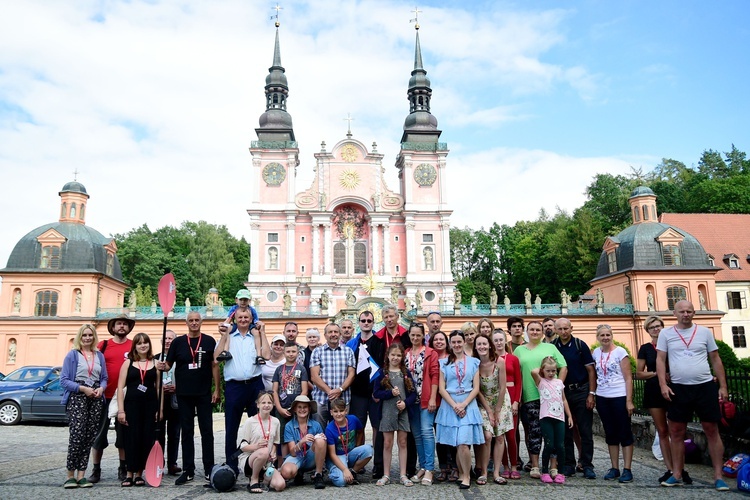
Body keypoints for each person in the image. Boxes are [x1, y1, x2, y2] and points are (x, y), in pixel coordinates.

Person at [657, 300, 730, 491]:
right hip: (679, 388)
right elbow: (660, 359)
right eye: (682, 311)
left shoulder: (705, 332)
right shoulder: (666, 334)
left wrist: (723, 386)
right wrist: (663, 384)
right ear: (674, 313)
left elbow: (715, 359)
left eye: (689, 311)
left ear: (694, 313)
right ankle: (677, 473)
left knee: (711, 430)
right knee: (676, 432)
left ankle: (718, 476)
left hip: (704, 386)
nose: (686, 314)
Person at [160, 311, 220, 485]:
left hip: (203, 393)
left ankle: (209, 468)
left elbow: (214, 366)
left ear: (201, 322)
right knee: (186, 432)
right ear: (186, 323)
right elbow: (168, 365)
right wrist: (161, 366)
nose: (194, 323)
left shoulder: (209, 341)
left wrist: (217, 389)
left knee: (207, 431)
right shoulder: (178, 342)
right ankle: (188, 470)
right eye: (191, 320)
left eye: (197, 320)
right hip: (183, 394)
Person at [215, 309, 271, 474]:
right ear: (235, 319)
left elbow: (266, 355)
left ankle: (257, 465)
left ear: (251, 318)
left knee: (260, 426)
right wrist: (224, 334)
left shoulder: (256, 335)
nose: (243, 320)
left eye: (246, 317)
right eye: (240, 317)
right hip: (234, 386)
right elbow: (216, 357)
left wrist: (264, 333)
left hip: (254, 385)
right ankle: (232, 466)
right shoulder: (229, 336)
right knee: (231, 427)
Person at [514, 320, 567, 478]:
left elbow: (563, 366)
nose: (535, 332)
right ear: (527, 332)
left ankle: (553, 466)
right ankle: (535, 465)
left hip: (550, 398)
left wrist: (559, 385)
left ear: (542, 332)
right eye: (532, 330)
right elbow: (517, 374)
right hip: (530, 396)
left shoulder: (550, 347)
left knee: (552, 434)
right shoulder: (519, 350)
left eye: (538, 329)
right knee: (534, 432)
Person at [637, 315, 685, 484]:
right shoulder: (645, 348)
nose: (656, 329)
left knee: (677, 431)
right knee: (662, 431)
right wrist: (656, 373)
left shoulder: (673, 345)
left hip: (674, 389)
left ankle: (680, 468)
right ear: (648, 331)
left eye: (658, 326)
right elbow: (639, 373)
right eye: (652, 327)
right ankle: (670, 468)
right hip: (654, 390)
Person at [60, 324, 108, 489]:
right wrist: (82, 389)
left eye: (90, 335)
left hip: (95, 397)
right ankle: (70, 475)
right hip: (78, 396)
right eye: (85, 335)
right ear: (80, 337)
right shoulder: (72, 355)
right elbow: (64, 380)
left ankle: (81, 475)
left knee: (89, 436)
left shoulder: (99, 356)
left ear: (94, 337)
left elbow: (104, 378)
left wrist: (101, 388)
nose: (87, 338)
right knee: (77, 435)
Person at [435, 330, 484, 490]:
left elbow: (476, 388)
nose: (456, 345)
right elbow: (442, 389)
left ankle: (467, 476)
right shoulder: (444, 363)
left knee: (464, 443)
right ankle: (462, 473)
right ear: (450, 344)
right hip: (450, 405)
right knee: (456, 443)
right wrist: (455, 405)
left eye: (459, 342)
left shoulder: (474, 362)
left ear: (464, 342)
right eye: (453, 342)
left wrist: (463, 405)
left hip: (468, 404)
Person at [88, 314, 134, 483]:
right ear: (113, 327)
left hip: (125, 397)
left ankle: (123, 468)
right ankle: (96, 469)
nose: (122, 326)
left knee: (123, 436)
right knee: (99, 435)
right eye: (118, 324)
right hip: (104, 397)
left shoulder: (133, 345)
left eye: (125, 324)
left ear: (129, 328)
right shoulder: (104, 345)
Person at [552, 318, 597, 479]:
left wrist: (592, 393)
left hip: (581, 390)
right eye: (560, 329)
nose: (563, 332)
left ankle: (587, 464)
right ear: (556, 330)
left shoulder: (580, 345)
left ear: (571, 328)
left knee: (585, 430)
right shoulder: (553, 346)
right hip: (561, 393)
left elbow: (591, 370)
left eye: (566, 328)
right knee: (565, 432)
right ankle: (568, 464)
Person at [592, 324, 635, 483]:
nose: (605, 338)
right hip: (603, 397)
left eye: (607, 335)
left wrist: (629, 400)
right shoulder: (596, 353)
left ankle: (627, 469)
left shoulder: (620, 352)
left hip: (619, 395)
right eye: (602, 335)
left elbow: (628, 377)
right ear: (598, 337)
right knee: (610, 433)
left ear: (612, 335)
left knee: (624, 432)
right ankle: (615, 467)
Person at [117, 333, 160, 487]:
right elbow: (120, 388)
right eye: (139, 343)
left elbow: (158, 388)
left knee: (145, 439)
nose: (143, 345)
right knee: (131, 439)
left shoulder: (155, 363)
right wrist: (121, 411)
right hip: (131, 406)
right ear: (134, 346)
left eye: (145, 342)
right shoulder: (128, 363)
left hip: (149, 406)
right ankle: (129, 473)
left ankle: (139, 473)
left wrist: (159, 409)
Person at [345, 310, 385, 472]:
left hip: (375, 394)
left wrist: (379, 390)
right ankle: (357, 462)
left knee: (377, 428)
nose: (366, 323)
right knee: (357, 428)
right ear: (359, 323)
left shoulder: (380, 342)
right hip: (357, 394)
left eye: (369, 320)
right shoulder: (351, 344)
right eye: (363, 320)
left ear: (373, 322)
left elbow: (383, 368)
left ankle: (378, 464)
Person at [373, 344, 418, 486]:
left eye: (398, 355)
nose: (395, 358)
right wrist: (389, 393)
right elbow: (376, 393)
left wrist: (405, 403)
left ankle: (403, 474)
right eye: (393, 355)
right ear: (388, 356)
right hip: (387, 411)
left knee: (403, 442)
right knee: (387, 443)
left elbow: (413, 394)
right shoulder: (382, 372)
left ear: (402, 357)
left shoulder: (405, 373)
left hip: (402, 412)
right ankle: (386, 474)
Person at [404, 322, 439, 485]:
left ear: (423, 335)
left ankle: (430, 469)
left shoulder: (430, 353)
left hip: (425, 399)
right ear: (409, 335)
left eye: (418, 335)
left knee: (426, 432)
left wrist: (433, 397)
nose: (415, 338)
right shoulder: (406, 353)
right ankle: (423, 467)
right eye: (413, 335)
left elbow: (434, 376)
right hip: (411, 401)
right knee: (417, 435)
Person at [474, 333, 511, 485]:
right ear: (476, 347)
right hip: (483, 402)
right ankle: (483, 471)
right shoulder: (475, 364)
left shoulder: (499, 361)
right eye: (479, 344)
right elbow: (478, 390)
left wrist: (496, 411)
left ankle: (496, 472)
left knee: (500, 436)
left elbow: (503, 387)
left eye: (484, 344)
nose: (482, 347)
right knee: (487, 435)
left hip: (500, 401)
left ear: (490, 345)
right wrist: (489, 411)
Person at [531, 357, 573, 484]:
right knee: (549, 445)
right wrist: (545, 363)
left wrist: (569, 415)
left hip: (559, 417)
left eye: (553, 371)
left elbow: (564, 399)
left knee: (560, 445)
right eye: (548, 371)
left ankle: (560, 472)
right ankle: (544, 471)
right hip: (546, 417)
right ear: (543, 370)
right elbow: (533, 372)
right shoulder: (541, 381)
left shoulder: (559, 383)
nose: (551, 373)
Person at [235, 391, 286, 493]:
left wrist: (273, 452)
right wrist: (256, 446)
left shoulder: (276, 421)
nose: (266, 405)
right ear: (258, 405)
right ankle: (253, 479)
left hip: (267, 461)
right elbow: (242, 447)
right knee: (263, 451)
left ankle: (264, 480)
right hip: (249, 459)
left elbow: (276, 442)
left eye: (269, 403)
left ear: (273, 404)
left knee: (280, 485)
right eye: (263, 403)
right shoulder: (250, 421)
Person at [310, 323, 355, 423]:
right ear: (325, 335)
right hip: (321, 399)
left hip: (343, 399)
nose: (333, 334)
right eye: (330, 332)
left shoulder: (348, 351)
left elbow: (351, 375)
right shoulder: (317, 351)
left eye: (336, 332)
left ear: (340, 334)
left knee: (341, 433)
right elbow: (314, 376)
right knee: (319, 433)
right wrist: (330, 392)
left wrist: (340, 389)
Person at [272, 341, 308, 465]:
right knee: (282, 438)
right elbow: (275, 391)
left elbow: (304, 390)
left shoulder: (301, 368)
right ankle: (282, 465)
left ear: (298, 353)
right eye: (288, 351)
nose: (291, 354)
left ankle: (297, 464)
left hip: (297, 410)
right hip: (281, 409)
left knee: (296, 435)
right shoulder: (278, 369)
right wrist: (279, 408)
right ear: (284, 352)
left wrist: (296, 408)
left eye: (293, 351)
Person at [325, 398, 374, 487]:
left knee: (369, 449)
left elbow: (360, 431)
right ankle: (336, 472)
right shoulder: (329, 429)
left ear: (346, 411)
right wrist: (344, 470)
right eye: (335, 411)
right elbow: (332, 454)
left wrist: (357, 446)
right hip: (337, 456)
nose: (339, 414)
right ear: (331, 412)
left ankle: (353, 472)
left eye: (341, 411)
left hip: (350, 453)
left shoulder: (353, 419)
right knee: (341, 482)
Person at [280, 395, 326, 489]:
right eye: (299, 407)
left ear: (309, 409)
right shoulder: (289, 426)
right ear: (294, 410)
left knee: (321, 440)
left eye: (305, 407)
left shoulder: (316, 425)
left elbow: (323, 446)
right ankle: (298, 472)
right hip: (296, 457)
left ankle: (318, 474)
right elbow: (293, 453)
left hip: (310, 457)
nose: (302, 410)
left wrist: (321, 438)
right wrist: (302, 441)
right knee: (286, 472)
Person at [492, 329, 521, 480]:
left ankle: (514, 465)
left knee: (511, 435)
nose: (498, 342)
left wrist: (516, 401)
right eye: (495, 340)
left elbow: (519, 380)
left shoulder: (513, 359)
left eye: (500, 339)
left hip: (511, 394)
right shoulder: (490, 359)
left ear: (505, 340)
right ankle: (504, 465)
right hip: (497, 397)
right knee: (500, 434)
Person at [429, 331, 457, 482]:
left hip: (451, 400)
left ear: (446, 342)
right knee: (439, 435)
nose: (439, 342)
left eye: (442, 339)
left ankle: (455, 466)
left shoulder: (453, 358)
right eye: (436, 339)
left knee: (451, 434)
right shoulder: (430, 356)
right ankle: (443, 467)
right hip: (436, 401)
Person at [156, 330, 181, 476]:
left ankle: (172, 462)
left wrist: (177, 388)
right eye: (165, 338)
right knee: (158, 433)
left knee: (174, 433)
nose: (167, 341)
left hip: (175, 400)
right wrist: (159, 388)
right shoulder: (155, 358)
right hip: (159, 400)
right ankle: (159, 461)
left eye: (171, 338)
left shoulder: (180, 358)